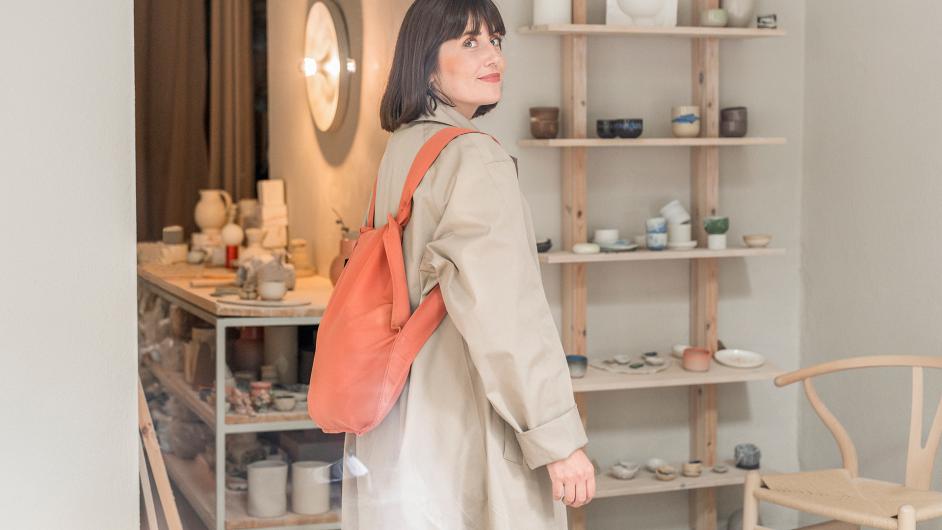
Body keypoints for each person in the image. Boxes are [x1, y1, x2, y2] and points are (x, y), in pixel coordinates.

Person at [340, 0, 595, 528]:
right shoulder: (473, 156)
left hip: (393, 417)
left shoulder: (403, 149)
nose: (493, 57)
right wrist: (557, 439)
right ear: (426, 60)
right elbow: (504, 315)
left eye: (495, 41)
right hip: (461, 423)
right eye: (470, 42)